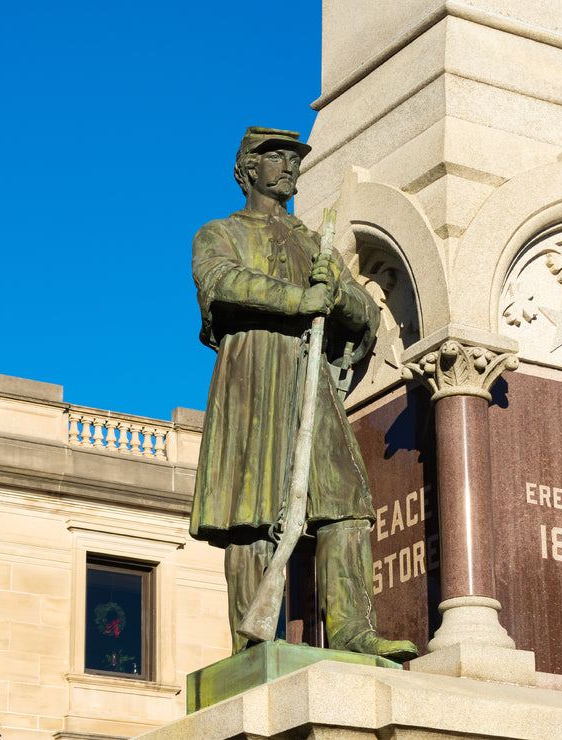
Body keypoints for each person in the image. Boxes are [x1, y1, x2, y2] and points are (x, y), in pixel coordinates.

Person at [189, 126, 417, 662]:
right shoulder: (218, 233)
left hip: (309, 380)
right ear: (248, 169)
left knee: (345, 500)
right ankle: (252, 641)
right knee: (252, 513)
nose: (288, 166)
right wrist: (302, 299)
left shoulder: (313, 243)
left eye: (294, 159)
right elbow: (221, 285)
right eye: (275, 157)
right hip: (254, 376)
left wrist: (336, 294)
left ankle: (352, 631)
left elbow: (363, 313)